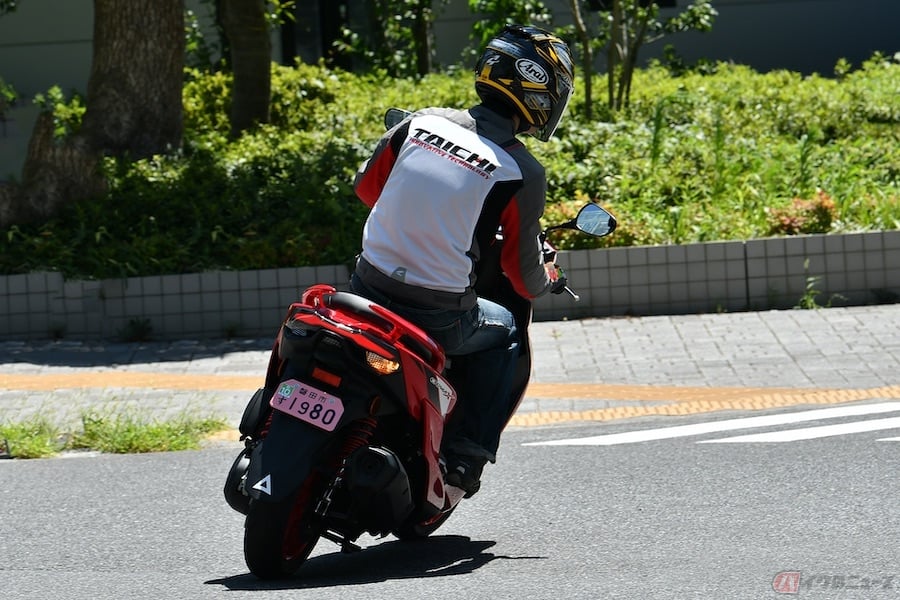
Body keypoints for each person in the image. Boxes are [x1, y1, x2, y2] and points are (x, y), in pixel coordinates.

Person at [349, 24, 575, 497]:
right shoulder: (521, 169)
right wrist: (549, 272)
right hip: (438, 315)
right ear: (541, 93)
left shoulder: (418, 122)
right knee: (507, 332)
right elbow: (521, 273)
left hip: (366, 285)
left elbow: (368, 190)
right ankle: (466, 457)